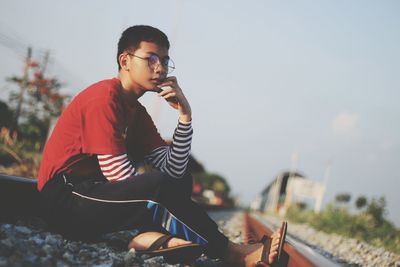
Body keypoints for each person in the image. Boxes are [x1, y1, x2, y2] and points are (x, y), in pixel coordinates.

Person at [37, 25, 285, 266]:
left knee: (180, 179)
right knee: (157, 187)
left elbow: (174, 171)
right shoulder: (103, 99)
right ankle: (232, 252)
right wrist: (166, 209)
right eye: (151, 59)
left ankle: (144, 238)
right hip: (65, 200)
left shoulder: (137, 113)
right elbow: (120, 177)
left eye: (165, 60)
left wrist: (185, 116)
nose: (160, 68)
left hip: (96, 199)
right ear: (125, 61)